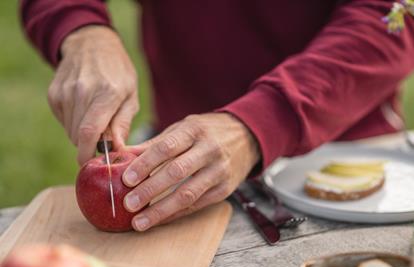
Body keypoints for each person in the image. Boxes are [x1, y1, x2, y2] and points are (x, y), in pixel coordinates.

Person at [21, 1, 414, 231]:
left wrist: (261, 121)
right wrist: (82, 29)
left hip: (341, 161)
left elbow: (393, 16)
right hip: (171, 157)